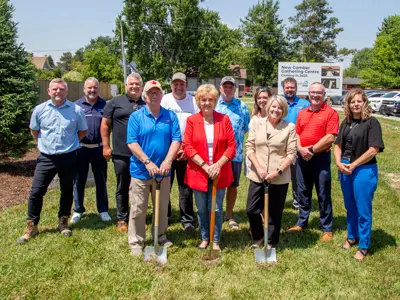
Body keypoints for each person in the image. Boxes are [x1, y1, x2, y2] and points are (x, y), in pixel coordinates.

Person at [17, 78, 88, 244]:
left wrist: (69, 145)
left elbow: (82, 131)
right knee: (36, 192)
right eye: (54, 89)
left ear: (66, 91)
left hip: (68, 156)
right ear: (49, 91)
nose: (58, 92)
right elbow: (34, 131)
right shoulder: (40, 110)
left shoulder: (76, 110)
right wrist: (44, 145)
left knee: (67, 190)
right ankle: (32, 225)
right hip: (46, 158)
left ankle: (63, 222)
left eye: (61, 89)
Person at [127, 80, 181, 256]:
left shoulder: (170, 116)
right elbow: (132, 142)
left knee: (161, 206)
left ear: (161, 95)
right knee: (138, 208)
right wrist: (147, 161)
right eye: (151, 93)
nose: (155, 95)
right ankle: (136, 241)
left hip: (163, 172)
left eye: (157, 92)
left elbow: (176, 140)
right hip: (140, 172)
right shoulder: (136, 117)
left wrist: (167, 161)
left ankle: (160, 235)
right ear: (145, 96)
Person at [333, 88, 384, 261]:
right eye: (352, 101)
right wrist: (339, 163)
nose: (356, 104)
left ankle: (364, 245)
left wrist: (353, 164)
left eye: (359, 101)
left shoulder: (371, 122)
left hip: (363, 170)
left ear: (364, 103)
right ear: (348, 104)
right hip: (345, 169)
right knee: (350, 207)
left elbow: (373, 150)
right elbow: (338, 145)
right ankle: (352, 236)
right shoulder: (345, 122)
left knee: (363, 209)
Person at [183, 84, 236, 251]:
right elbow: (188, 146)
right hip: (199, 171)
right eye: (203, 100)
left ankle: (216, 240)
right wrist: (206, 166)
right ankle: (205, 238)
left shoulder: (224, 119)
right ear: (198, 101)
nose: (207, 103)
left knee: (217, 208)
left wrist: (218, 165)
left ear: (215, 101)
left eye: (210, 100)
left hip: (219, 171)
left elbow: (231, 146)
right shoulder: (192, 121)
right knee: (202, 208)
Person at [287, 82, 339, 243]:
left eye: (318, 92)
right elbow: (297, 133)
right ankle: (302, 222)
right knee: (302, 192)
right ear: (308, 94)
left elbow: (330, 137)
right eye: (312, 92)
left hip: (320, 158)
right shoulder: (302, 113)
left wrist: (311, 150)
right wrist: (301, 149)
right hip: (303, 158)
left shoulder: (331, 113)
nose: (315, 95)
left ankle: (327, 228)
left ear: (324, 94)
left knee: (323, 193)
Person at [245, 95, 297, 248]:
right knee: (251, 209)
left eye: (280, 108)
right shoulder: (256, 122)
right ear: (268, 108)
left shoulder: (289, 127)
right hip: (258, 175)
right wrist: (259, 168)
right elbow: (249, 147)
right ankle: (259, 236)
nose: (276, 110)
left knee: (274, 212)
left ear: (284, 110)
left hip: (278, 177)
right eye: (273, 107)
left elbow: (292, 153)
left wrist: (278, 172)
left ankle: (271, 242)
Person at [101, 73, 146, 232]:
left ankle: (138, 217)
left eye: (137, 84)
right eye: (131, 84)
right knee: (122, 186)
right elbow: (105, 125)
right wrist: (106, 146)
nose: (134, 87)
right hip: (121, 153)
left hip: (142, 155)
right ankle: (122, 218)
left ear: (142, 86)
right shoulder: (115, 103)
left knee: (139, 187)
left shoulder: (147, 103)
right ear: (126, 86)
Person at [161, 72, 199, 232]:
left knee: (186, 188)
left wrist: (186, 148)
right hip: (167, 151)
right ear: (171, 86)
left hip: (187, 151)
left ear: (186, 85)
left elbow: (197, 125)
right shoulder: (165, 100)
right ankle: (165, 215)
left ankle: (187, 219)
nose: (178, 87)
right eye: (175, 84)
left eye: (181, 84)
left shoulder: (193, 101)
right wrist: (172, 149)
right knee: (165, 186)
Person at [71, 77, 111, 224]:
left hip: (99, 149)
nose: (92, 90)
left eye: (95, 87)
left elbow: (109, 125)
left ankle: (103, 210)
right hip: (81, 149)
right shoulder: (76, 106)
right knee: (79, 180)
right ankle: (78, 210)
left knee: (101, 180)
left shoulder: (105, 106)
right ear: (84, 89)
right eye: (89, 88)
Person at [215, 76, 250, 230]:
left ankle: (229, 214)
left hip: (235, 155)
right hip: (216, 155)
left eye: (231, 86)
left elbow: (245, 128)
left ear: (234, 89)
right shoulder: (214, 105)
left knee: (232, 185)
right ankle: (214, 212)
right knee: (215, 184)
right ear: (220, 88)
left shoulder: (242, 106)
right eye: (225, 86)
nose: (228, 89)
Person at [282, 77, 310, 210]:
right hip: (280, 144)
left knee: (297, 175)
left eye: (292, 87)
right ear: (283, 88)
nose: (290, 90)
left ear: (296, 88)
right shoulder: (279, 101)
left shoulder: (304, 103)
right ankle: (278, 200)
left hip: (298, 143)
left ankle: (297, 201)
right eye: (287, 87)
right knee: (279, 173)